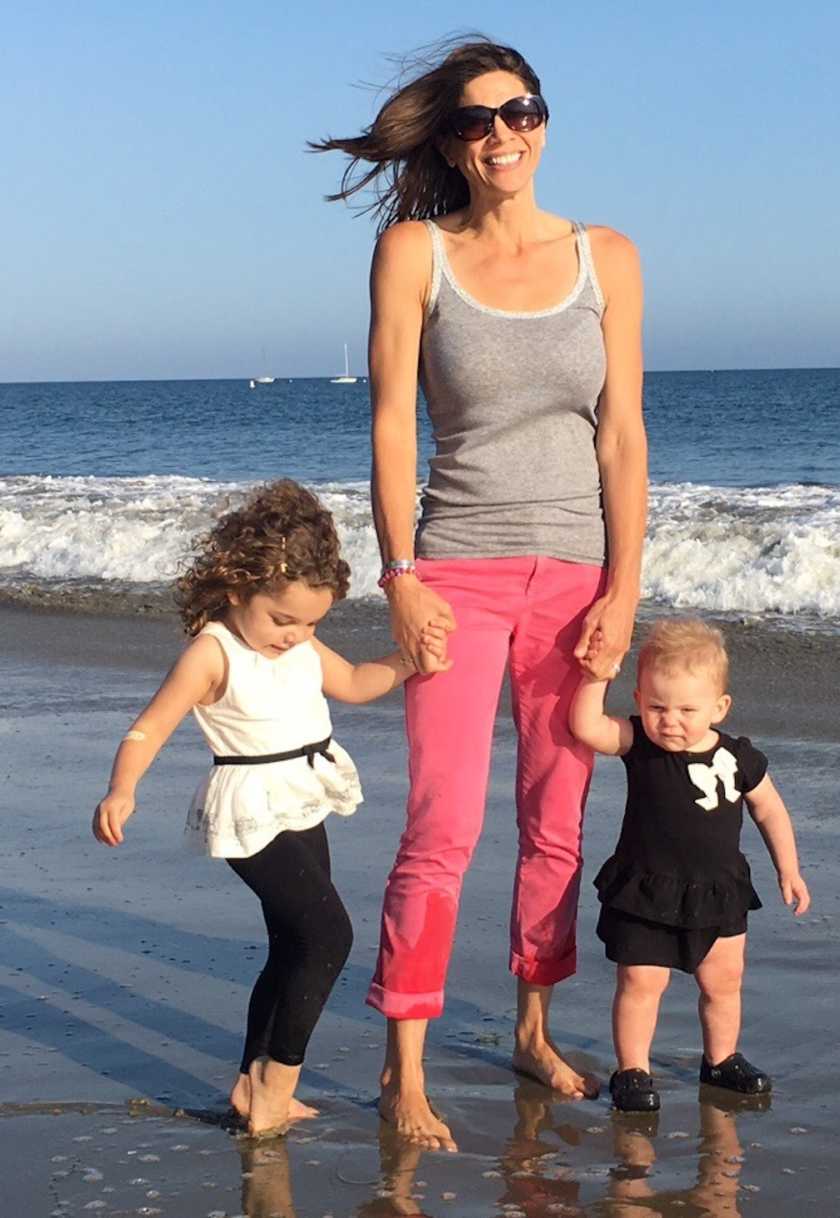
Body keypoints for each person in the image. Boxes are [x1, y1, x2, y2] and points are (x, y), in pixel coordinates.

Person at [314, 37, 647, 1147]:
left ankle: (532, 1026)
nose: (503, 134)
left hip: (576, 577)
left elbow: (624, 443)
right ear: (450, 142)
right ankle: (403, 1069)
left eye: (522, 111)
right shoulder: (416, 252)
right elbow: (390, 423)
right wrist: (399, 576)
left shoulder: (609, 255)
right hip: (453, 570)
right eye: (477, 121)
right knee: (443, 823)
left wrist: (624, 590)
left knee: (557, 822)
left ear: (544, 121)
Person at [91, 480, 448, 1137]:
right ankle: (275, 1086)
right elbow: (150, 727)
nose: (296, 635)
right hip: (250, 809)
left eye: (311, 623)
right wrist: (123, 788)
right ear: (236, 591)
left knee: (290, 944)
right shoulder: (213, 652)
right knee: (328, 936)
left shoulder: (304, 646)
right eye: (283, 620)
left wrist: (409, 662)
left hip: (303, 794)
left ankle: (246, 1080)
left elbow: (356, 684)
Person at [570, 618, 811, 1112]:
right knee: (641, 983)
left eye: (686, 709)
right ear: (638, 701)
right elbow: (586, 726)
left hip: (718, 890)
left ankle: (721, 1059)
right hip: (648, 891)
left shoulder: (738, 757)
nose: (670, 720)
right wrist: (599, 673)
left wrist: (788, 868)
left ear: (720, 707)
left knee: (723, 982)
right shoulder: (639, 745)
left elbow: (769, 809)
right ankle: (633, 1070)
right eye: (656, 706)